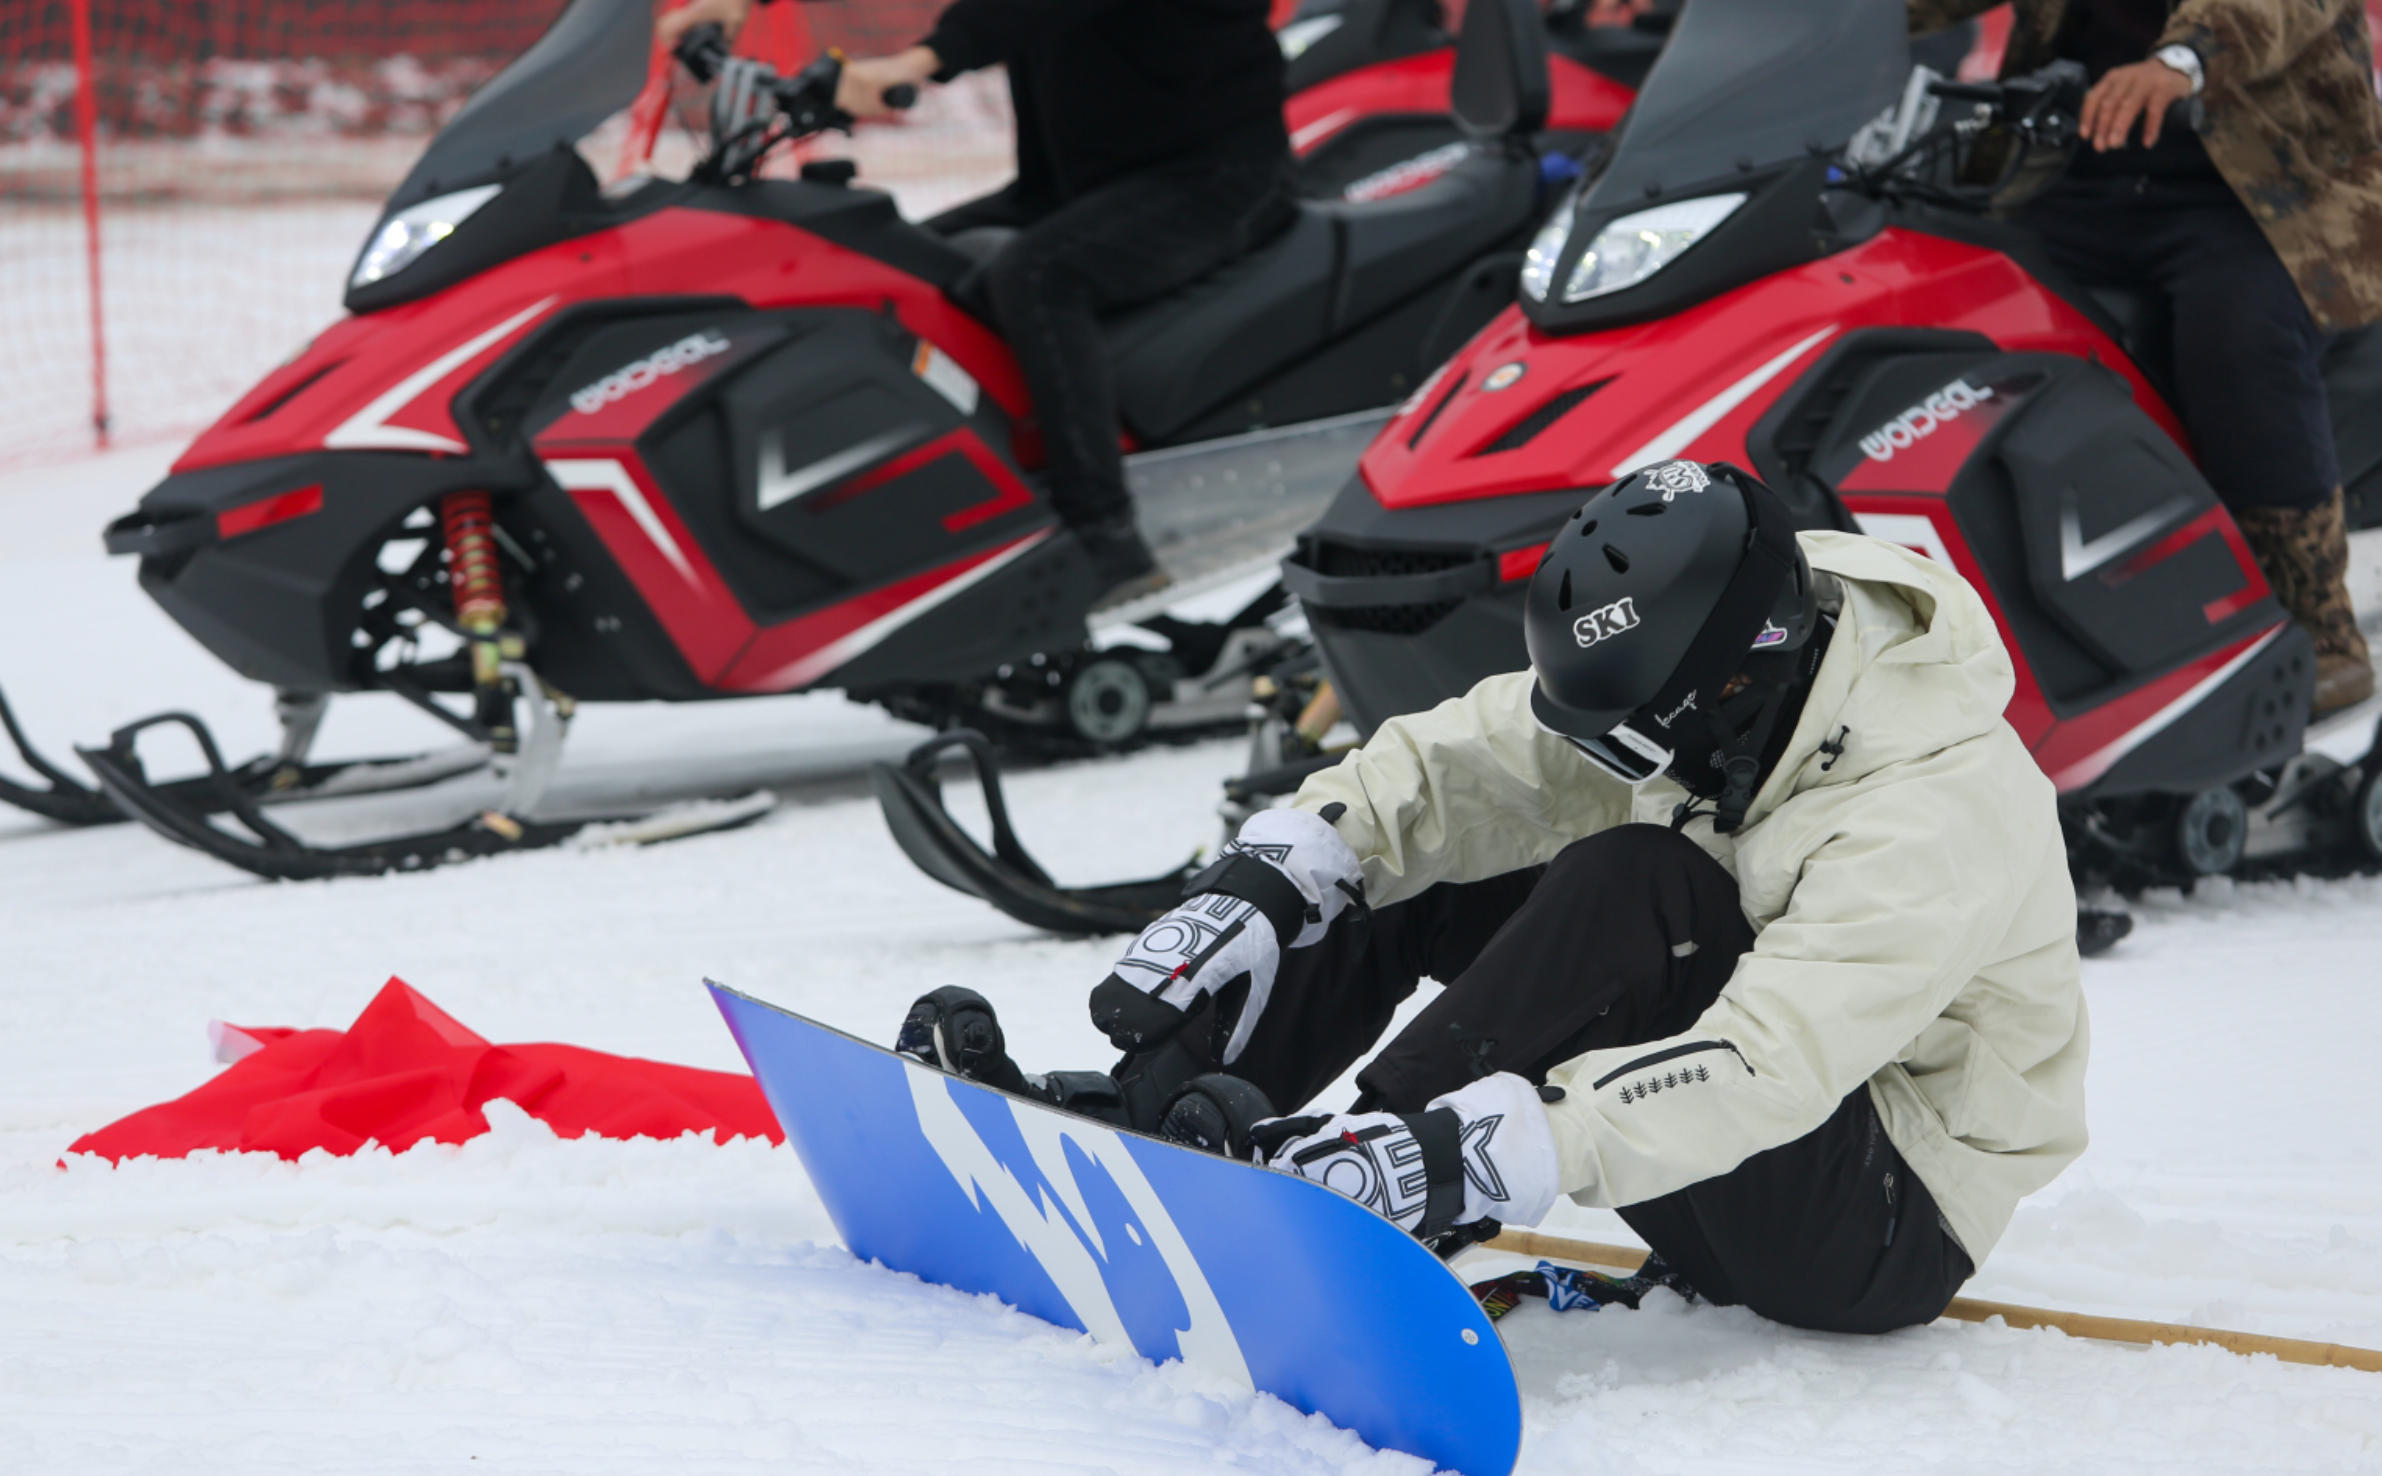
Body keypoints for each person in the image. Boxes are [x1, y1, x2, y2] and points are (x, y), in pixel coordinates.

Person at [901, 461, 2089, 1335]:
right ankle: (1160, 1121)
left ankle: (1359, 1196)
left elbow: (1766, 1062)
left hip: (1870, 1222)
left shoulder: (1933, 809)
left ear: (1728, 690)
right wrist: (1285, 867)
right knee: (1419, 858)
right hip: (1692, 1139)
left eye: (1629, 744)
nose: (1615, 764)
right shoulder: (1744, 654)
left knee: (1639, 882)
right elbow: (1476, 762)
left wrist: (1465, 1153)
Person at [660, 0, 1298, 608]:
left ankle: (1105, 535)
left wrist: (917, 63)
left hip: (1215, 176)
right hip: (1081, 179)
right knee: (897, 261)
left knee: (1039, 277)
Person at [1909, 0, 2381, 716]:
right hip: (2083, 176)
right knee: (1920, 289)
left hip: (2266, 195)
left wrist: (2180, 62)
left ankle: (2314, 624)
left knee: (2240, 334)